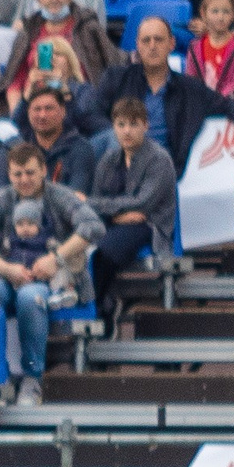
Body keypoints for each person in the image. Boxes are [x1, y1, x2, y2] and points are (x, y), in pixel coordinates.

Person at [0, 143, 101, 404]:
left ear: (43, 170)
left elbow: (93, 227)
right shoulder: (3, 198)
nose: (24, 180)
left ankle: (33, 378)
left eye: (30, 173)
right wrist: (5, 268)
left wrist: (57, 258)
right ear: (9, 175)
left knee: (30, 298)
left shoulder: (60, 195)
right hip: (10, 273)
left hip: (52, 278)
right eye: (17, 174)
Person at [71, 13, 234, 171]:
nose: (152, 46)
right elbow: (91, 115)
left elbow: (227, 104)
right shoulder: (116, 78)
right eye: (146, 40)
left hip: (160, 169)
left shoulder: (190, 88)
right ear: (137, 45)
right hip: (118, 161)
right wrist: (123, 136)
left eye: (159, 40)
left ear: (171, 43)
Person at [85, 96, 177, 309]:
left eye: (133, 124)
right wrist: (116, 215)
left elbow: (142, 203)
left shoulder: (159, 159)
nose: (127, 131)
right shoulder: (109, 159)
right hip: (114, 222)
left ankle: (97, 308)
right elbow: (94, 201)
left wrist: (104, 208)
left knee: (103, 251)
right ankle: (103, 305)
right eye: (121, 125)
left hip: (149, 225)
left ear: (146, 126)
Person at [0, 81, 97, 194]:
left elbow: (77, 199)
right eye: (37, 109)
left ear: (63, 111)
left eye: (49, 108)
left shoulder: (81, 149)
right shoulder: (11, 148)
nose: (42, 115)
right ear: (28, 113)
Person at [185, 0, 234, 102]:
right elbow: (190, 80)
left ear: (233, 15)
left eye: (226, 12)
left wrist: (217, 102)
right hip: (202, 107)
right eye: (215, 11)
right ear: (203, 13)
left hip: (233, 107)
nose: (220, 17)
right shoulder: (194, 47)